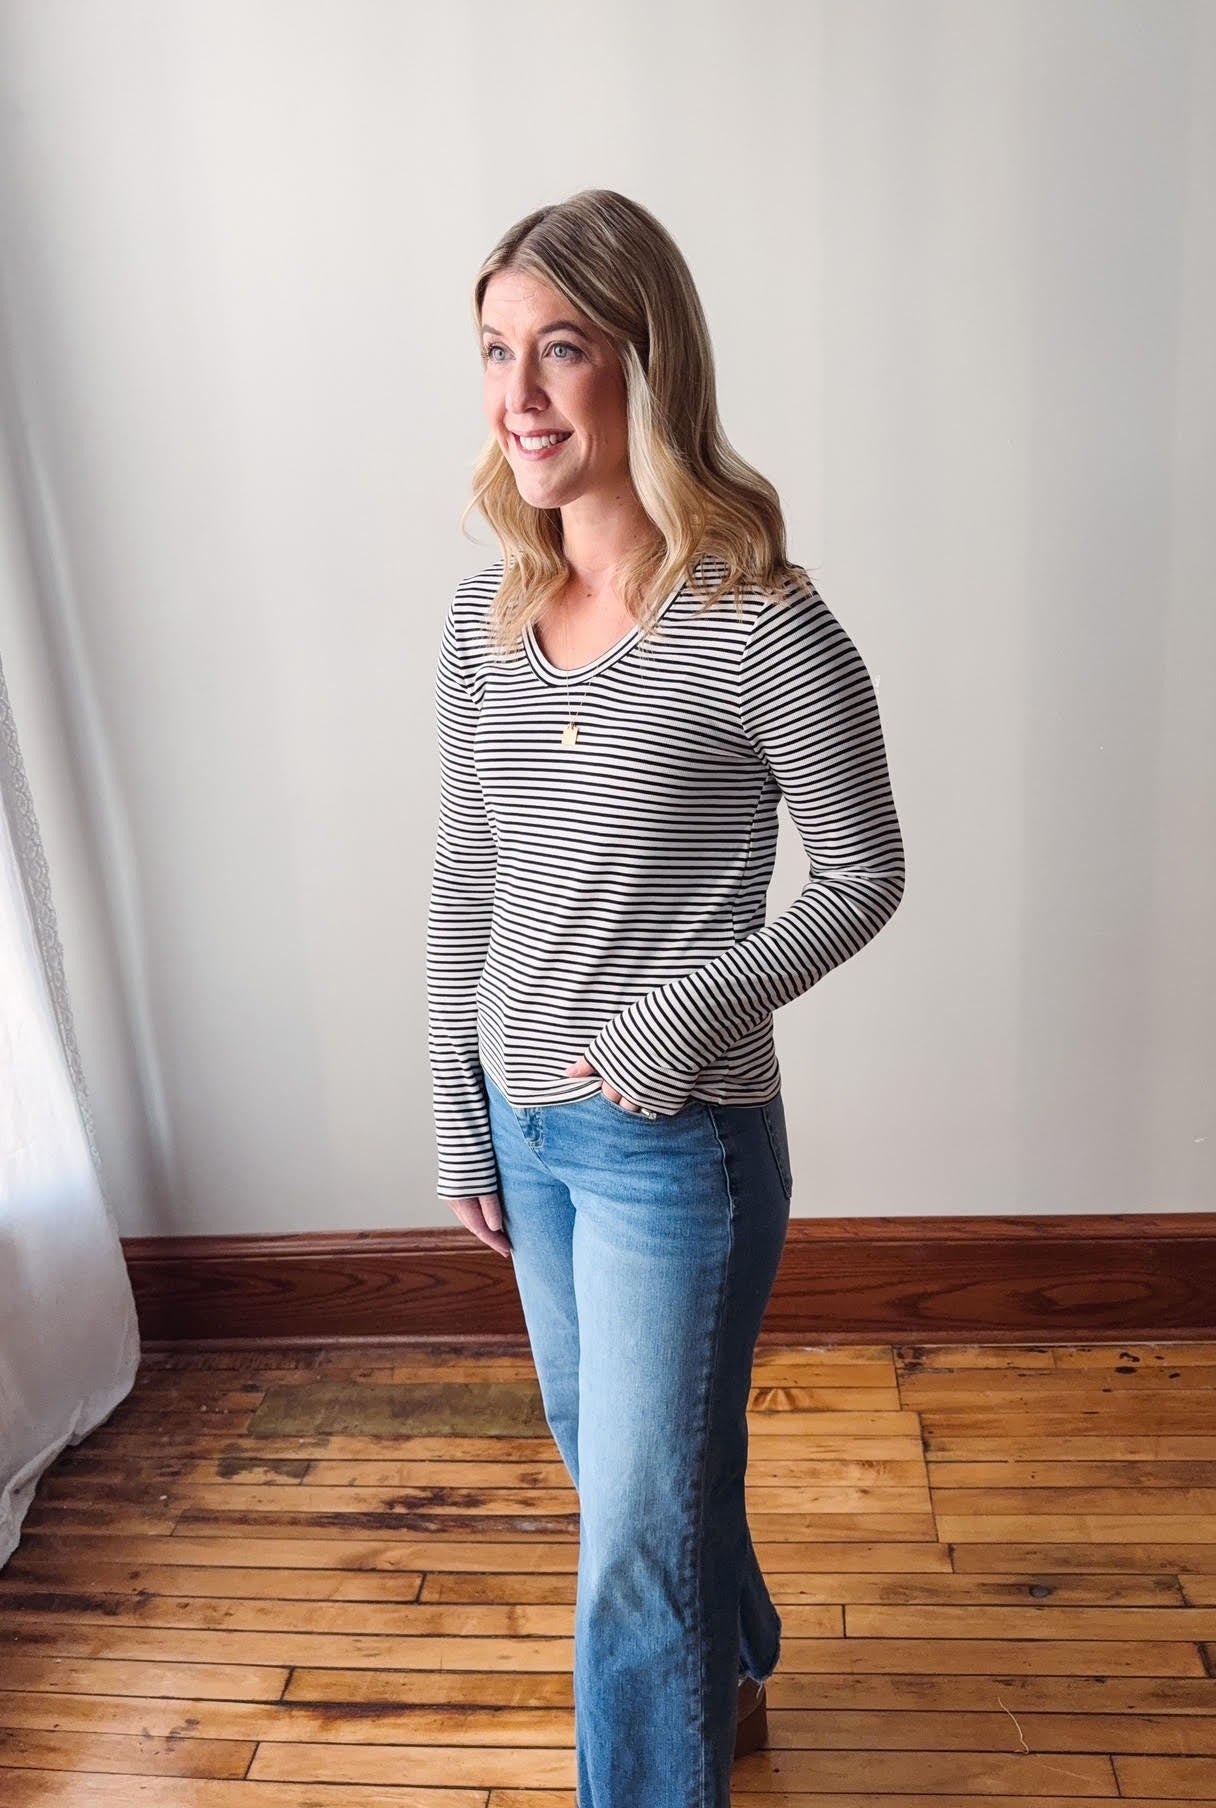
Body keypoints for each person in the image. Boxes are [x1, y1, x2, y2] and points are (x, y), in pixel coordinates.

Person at [425, 188, 905, 1808]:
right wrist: (458, 1105)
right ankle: (744, 1655)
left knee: (628, 1542)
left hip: (671, 1143)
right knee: (626, 1466)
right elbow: (465, 877)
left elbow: (863, 871)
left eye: (564, 348)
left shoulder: (762, 620)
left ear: (651, 366)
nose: (522, 393)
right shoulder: (482, 621)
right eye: (498, 350)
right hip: (527, 1128)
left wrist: (674, 1020)